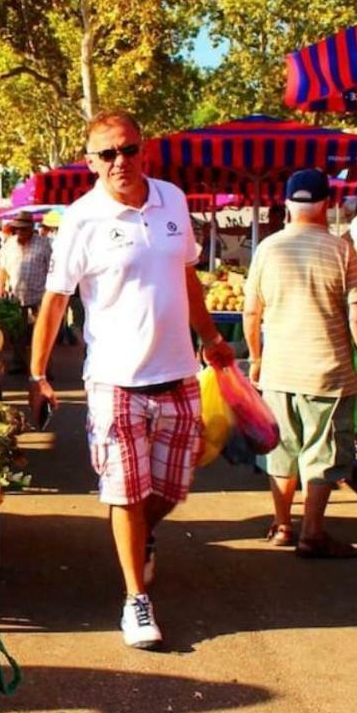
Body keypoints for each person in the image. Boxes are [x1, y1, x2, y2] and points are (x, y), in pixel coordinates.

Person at [29, 110, 233, 651]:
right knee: (123, 489)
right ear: (91, 161)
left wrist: (212, 338)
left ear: (146, 150)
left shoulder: (173, 200)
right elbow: (56, 300)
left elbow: (186, 275)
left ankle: (142, 535)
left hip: (178, 371)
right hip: (114, 378)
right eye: (108, 154)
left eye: (130, 149)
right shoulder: (81, 218)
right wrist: (37, 371)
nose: (121, 161)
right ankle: (135, 600)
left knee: (172, 485)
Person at [243, 169, 357, 559]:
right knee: (324, 453)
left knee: (281, 450)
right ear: (328, 204)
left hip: (279, 370)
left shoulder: (268, 249)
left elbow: (251, 312)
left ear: (286, 204)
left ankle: (283, 525)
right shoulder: (342, 250)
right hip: (328, 370)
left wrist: (255, 359)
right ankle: (312, 533)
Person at [0, 211, 53, 372]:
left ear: (31, 229)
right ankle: (19, 362)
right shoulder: (9, 244)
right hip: (15, 295)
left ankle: (41, 367)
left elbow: (51, 269)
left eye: (24, 229)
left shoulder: (43, 244)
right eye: (18, 229)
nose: (20, 232)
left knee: (40, 332)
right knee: (17, 333)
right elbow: (2, 268)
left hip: (38, 295)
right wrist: (0, 290)